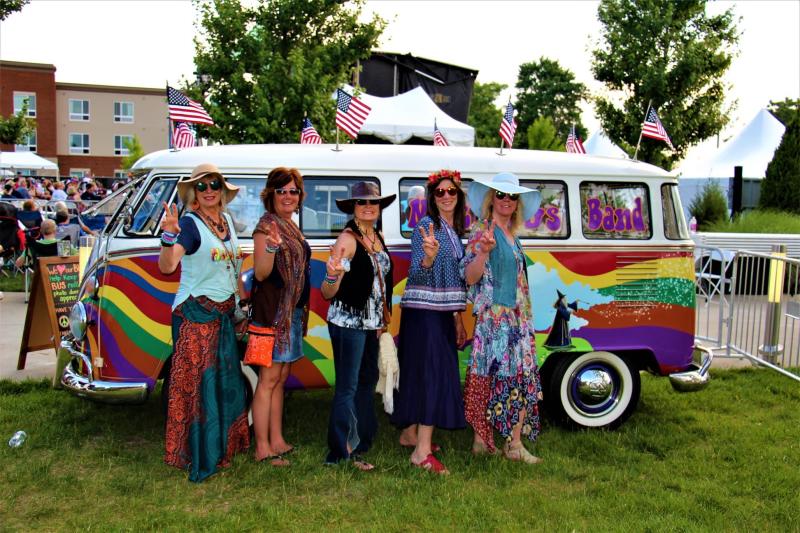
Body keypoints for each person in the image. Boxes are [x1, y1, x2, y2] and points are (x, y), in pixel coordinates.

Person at [158, 163, 250, 482]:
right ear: (194, 193)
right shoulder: (190, 224)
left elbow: (234, 268)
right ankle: (199, 454)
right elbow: (168, 266)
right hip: (195, 314)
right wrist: (168, 236)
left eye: (214, 184)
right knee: (199, 388)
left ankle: (221, 448)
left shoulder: (226, 222)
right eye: (202, 186)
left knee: (225, 383)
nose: (209, 190)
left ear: (222, 190)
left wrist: (241, 305)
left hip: (223, 315)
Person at [462, 172, 544, 464]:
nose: (506, 200)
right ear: (490, 199)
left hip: (516, 321)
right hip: (494, 322)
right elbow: (469, 277)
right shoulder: (482, 231)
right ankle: (488, 441)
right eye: (501, 194)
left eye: (512, 196)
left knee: (515, 378)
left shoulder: (512, 236)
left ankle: (512, 444)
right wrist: (483, 252)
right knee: (491, 379)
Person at [391, 169, 468, 475]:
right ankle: (421, 452)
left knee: (423, 373)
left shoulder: (453, 229)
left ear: (458, 196)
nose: (446, 197)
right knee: (433, 375)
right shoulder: (426, 226)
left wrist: (457, 318)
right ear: (432, 197)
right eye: (440, 192)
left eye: (452, 192)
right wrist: (426, 259)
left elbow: (454, 280)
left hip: (441, 313)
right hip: (424, 313)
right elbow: (417, 274)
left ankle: (410, 434)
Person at [321, 181, 395, 471]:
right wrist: (332, 275)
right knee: (348, 387)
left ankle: (361, 441)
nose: (368, 207)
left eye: (374, 203)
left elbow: (379, 283)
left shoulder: (376, 235)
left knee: (366, 382)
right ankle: (340, 452)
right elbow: (328, 292)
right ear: (353, 208)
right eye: (362, 203)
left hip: (370, 324)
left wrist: (380, 322)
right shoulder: (348, 240)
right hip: (348, 323)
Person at [249, 167, 311, 467]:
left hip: (290, 315)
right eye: (282, 191)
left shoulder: (291, 226)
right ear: (270, 194)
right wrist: (272, 247)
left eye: (293, 191)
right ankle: (262, 446)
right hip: (271, 316)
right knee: (269, 378)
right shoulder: (266, 228)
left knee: (281, 377)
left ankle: (277, 440)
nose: (288, 196)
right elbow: (261, 272)